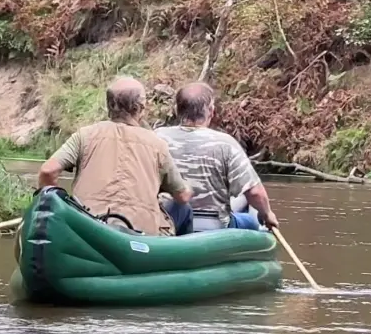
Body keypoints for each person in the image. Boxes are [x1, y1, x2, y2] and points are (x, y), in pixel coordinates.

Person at [38, 76, 191, 234]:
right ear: (141, 108)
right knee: (184, 209)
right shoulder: (158, 145)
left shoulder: (85, 135)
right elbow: (183, 196)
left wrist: (59, 207)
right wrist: (188, 187)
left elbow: (47, 171)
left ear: (109, 105)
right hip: (141, 237)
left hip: (86, 228)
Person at [156, 82, 276, 233]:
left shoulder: (157, 137)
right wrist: (267, 215)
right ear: (211, 111)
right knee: (251, 220)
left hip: (168, 222)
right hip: (215, 226)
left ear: (176, 110)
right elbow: (255, 193)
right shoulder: (226, 143)